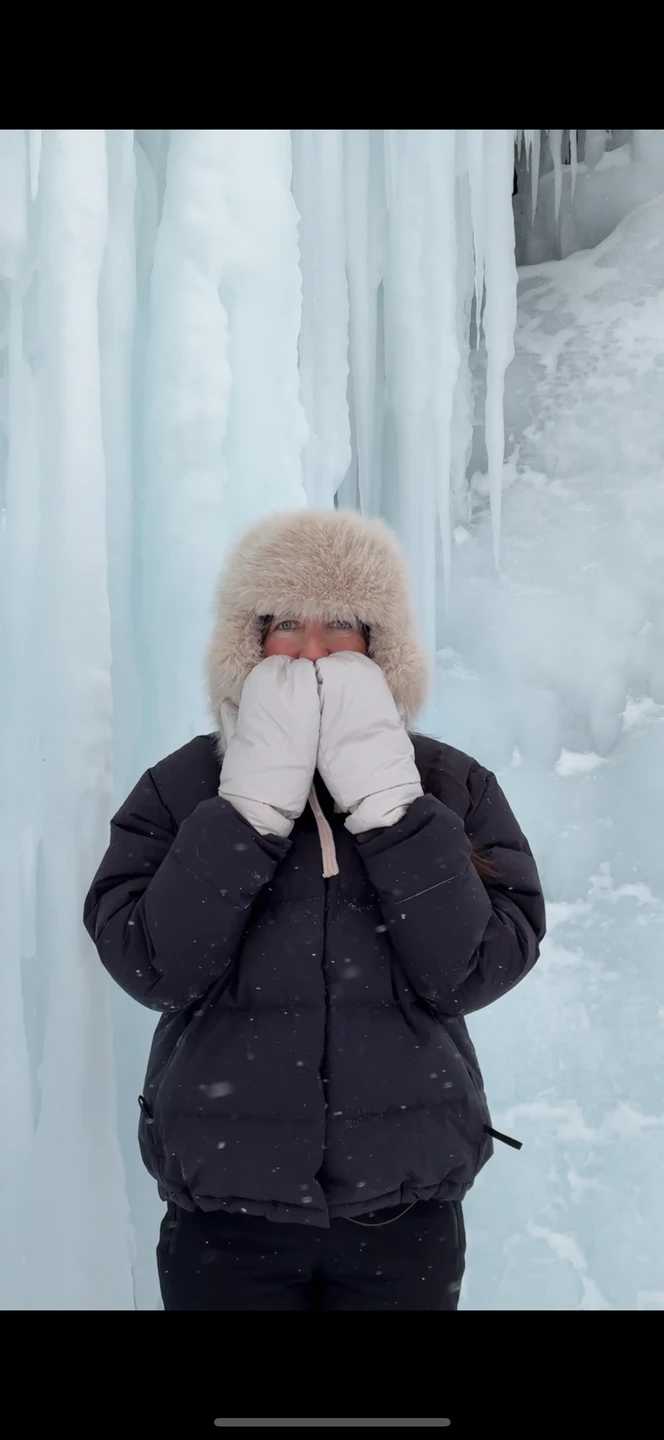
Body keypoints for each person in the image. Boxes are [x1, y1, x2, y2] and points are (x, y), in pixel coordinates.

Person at [84, 508, 546, 1311]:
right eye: (285, 623)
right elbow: (151, 964)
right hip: (224, 1209)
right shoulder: (184, 787)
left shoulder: (450, 785)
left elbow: (474, 968)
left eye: (342, 624)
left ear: (381, 645)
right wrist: (251, 805)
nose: (311, 647)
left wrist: (389, 802)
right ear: (247, 644)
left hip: (407, 1207)